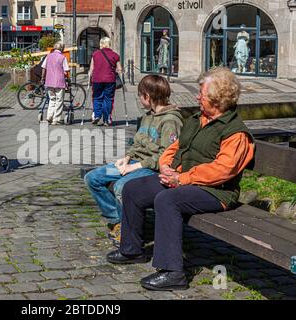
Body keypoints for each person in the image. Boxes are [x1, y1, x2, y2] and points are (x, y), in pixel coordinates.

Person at [106, 67, 254, 291]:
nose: (197, 96)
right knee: (133, 189)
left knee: (167, 200)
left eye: (201, 93)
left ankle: (173, 272)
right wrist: (166, 167)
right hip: (184, 180)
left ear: (217, 98)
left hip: (216, 192)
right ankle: (131, 249)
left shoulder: (235, 132)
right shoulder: (198, 119)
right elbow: (175, 147)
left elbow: (223, 170)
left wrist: (182, 178)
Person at [84, 75, 183, 246]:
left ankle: (128, 231)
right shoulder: (148, 116)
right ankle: (117, 220)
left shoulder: (170, 121)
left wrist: (135, 166)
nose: (139, 98)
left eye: (140, 95)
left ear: (147, 96)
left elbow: (167, 156)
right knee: (92, 178)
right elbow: (136, 142)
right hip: (134, 162)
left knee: (122, 187)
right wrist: (127, 157)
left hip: (150, 169)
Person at [88, 37, 122, 126]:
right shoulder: (115, 55)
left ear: (101, 44)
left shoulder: (95, 54)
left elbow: (92, 68)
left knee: (97, 97)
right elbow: (119, 69)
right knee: (108, 99)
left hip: (97, 79)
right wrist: (120, 72)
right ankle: (106, 119)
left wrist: (89, 77)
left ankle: (97, 115)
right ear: (109, 44)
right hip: (110, 80)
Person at [40, 41, 70, 125]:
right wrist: (68, 80)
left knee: (52, 100)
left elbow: (43, 68)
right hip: (59, 82)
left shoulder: (48, 56)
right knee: (59, 100)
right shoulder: (62, 57)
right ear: (62, 48)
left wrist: (43, 78)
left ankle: (49, 116)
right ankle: (56, 119)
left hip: (49, 81)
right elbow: (66, 70)